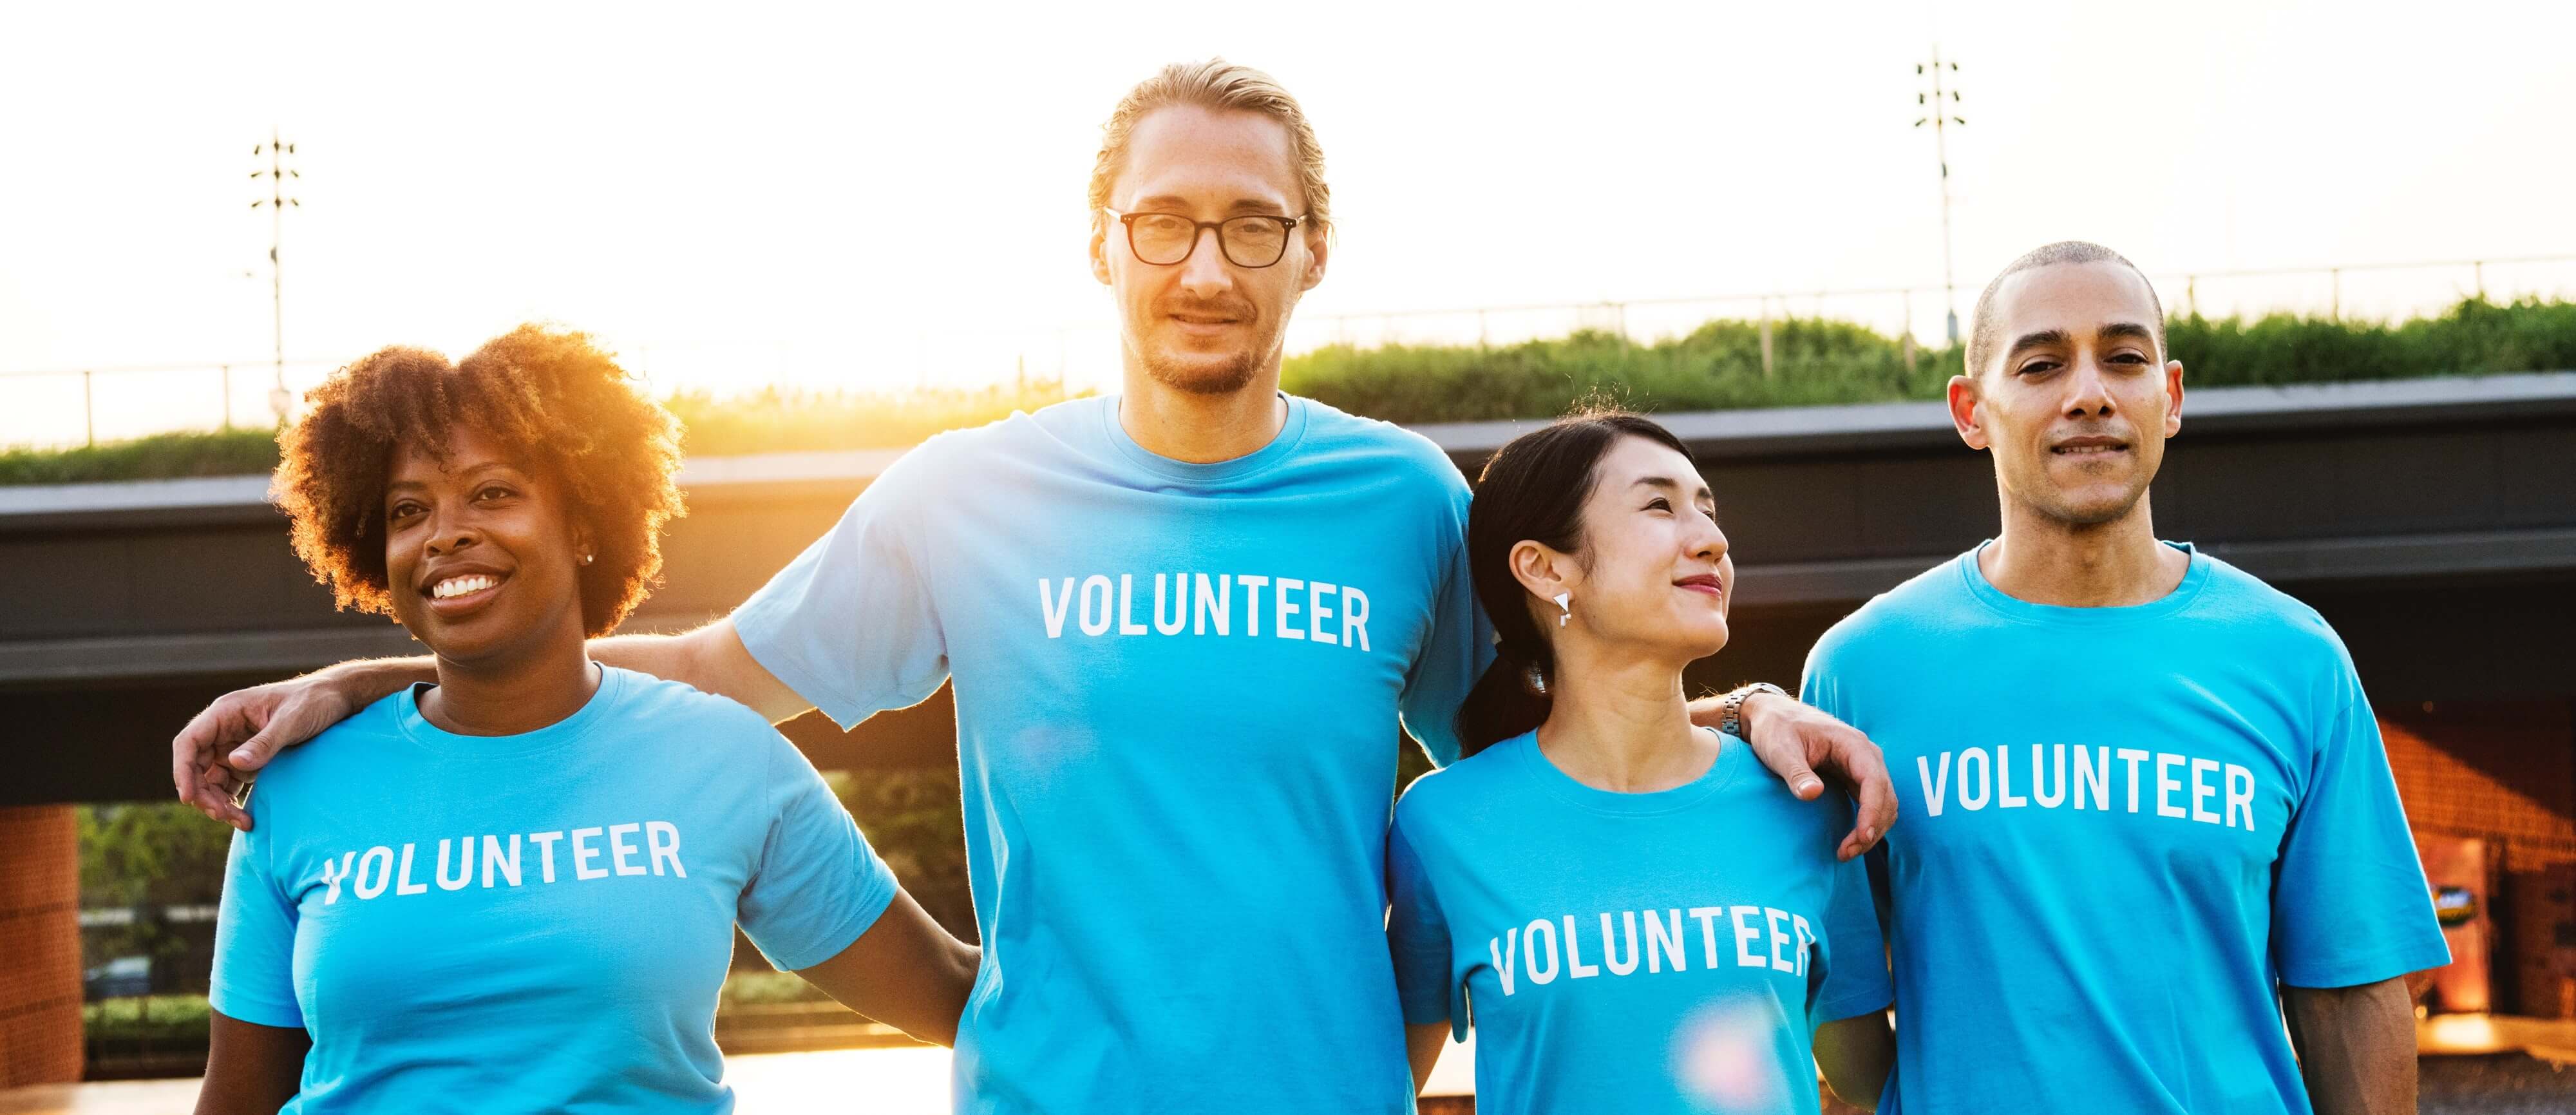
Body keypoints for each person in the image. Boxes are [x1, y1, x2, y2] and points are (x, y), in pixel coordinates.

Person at [174, 62, 1895, 1112]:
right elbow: (709, 667)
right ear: (1099, 244)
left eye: (1251, 224)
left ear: (1312, 251)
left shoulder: (1395, 497)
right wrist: (378, 695)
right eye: (1165, 223)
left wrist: (1743, 705)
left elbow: (1559, 740)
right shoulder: (964, 489)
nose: (1206, 264)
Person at [194, 330, 977, 1115]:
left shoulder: (726, 757)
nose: (446, 533)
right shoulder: (301, 782)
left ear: (582, 525)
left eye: (493, 493)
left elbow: (952, 992)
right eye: (408, 510)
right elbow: (238, 1099)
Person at [1799, 242, 2448, 1114]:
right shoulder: (1861, 669)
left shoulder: (2295, 657)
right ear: (1972, 410)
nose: (2090, 392)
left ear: (2169, 397)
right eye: (2041, 364)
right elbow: (1842, 1015)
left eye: (2125, 357)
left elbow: (2354, 985)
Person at [1388, 412, 1895, 1114]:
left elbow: (1872, 1080)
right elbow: (1379, 1089)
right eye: (1659, 506)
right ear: (1544, 567)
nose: (1712, 541)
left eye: (1708, 511)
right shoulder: (1440, 827)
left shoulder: (1804, 803)